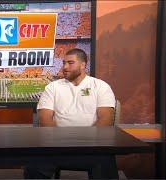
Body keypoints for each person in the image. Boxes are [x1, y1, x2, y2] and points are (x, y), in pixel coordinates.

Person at [24, 48, 118, 179]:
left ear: (83, 65)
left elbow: (106, 119)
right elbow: (44, 118)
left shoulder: (101, 86)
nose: (65, 67)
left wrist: (87, 142)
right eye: (63, 63)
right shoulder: (52, 87)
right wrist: (59, 142)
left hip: (92, 146)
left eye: (70, 63)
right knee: (34, 162)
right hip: (57, 146)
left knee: (106, 161)